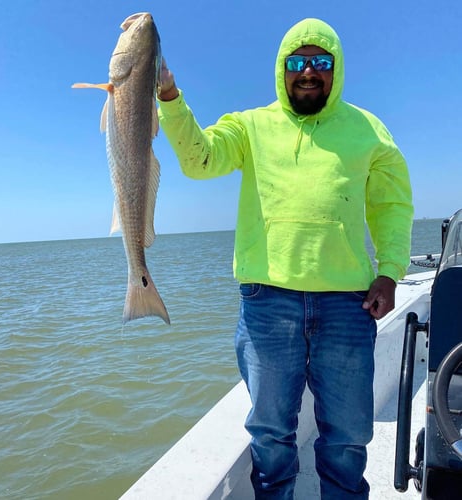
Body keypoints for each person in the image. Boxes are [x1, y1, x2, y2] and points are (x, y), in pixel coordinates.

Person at [157, 17, 413, 500]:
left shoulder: (368, 129)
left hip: (347, 304)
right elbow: (200, 160)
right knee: (271, 434)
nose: (309, 72)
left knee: (347, 437)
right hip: (267, 302)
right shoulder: (250, 126)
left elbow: (392, 206)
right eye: (298, 62)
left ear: (336, 69)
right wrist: (169, 96)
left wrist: (390, 272)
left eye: (321, 62)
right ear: (282, 69)